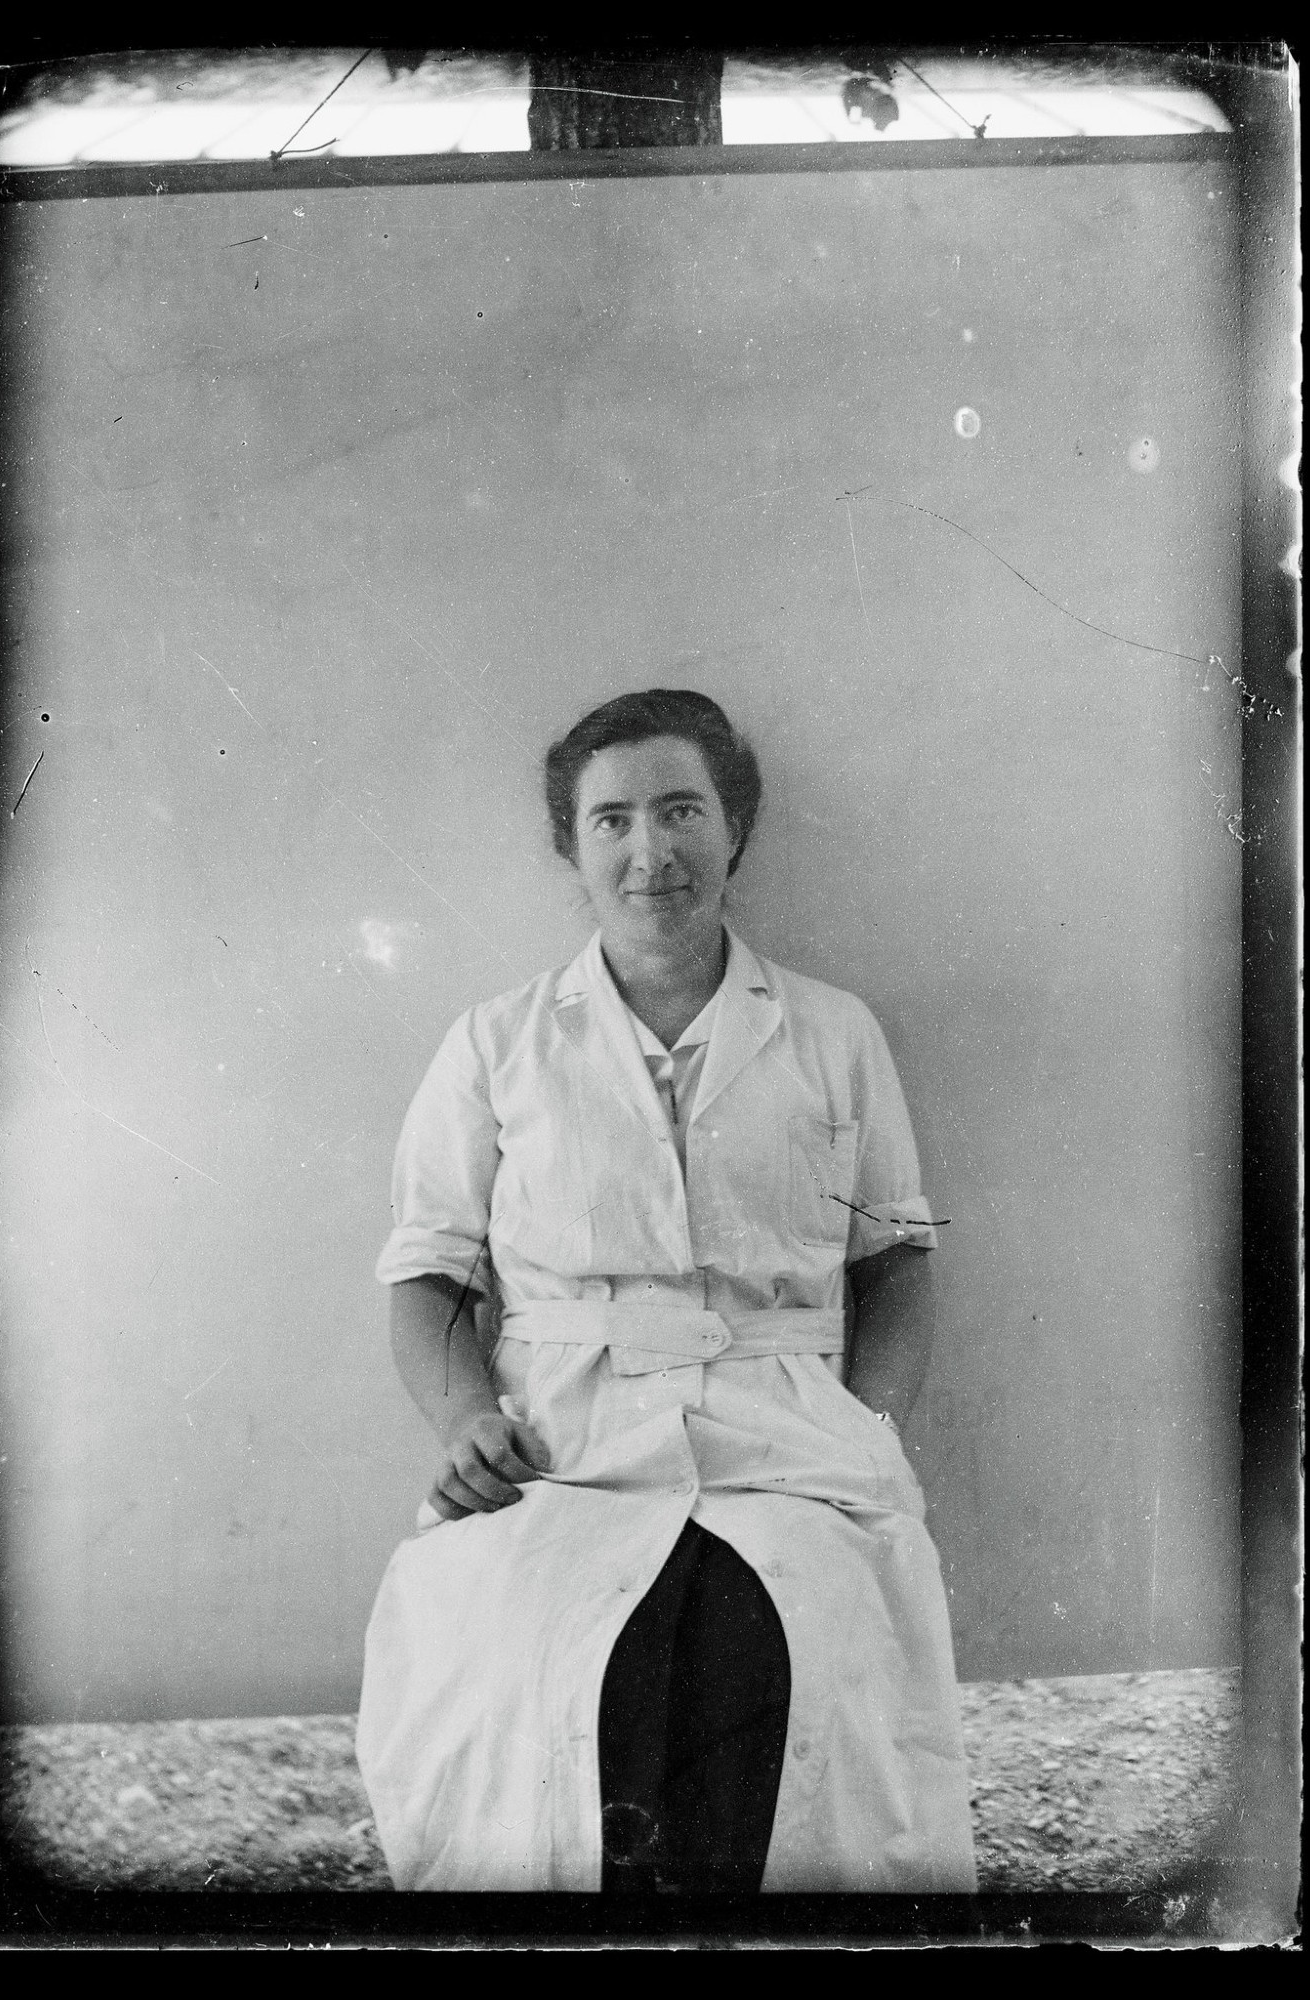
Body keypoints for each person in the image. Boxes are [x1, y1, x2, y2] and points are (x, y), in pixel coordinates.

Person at [355, 689, 977, 1894]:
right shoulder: (495, 1043)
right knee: (541, 1670)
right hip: (560, 1441)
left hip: (788, 1433)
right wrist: (464, 1419)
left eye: (682, 809)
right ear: (571, 846)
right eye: (612, 820)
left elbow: (894, 1258)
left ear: (733, 826)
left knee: (803, 1650)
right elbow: (429, 1273)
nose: (652, 852)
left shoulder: (832, 1031)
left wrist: (868, 1422)